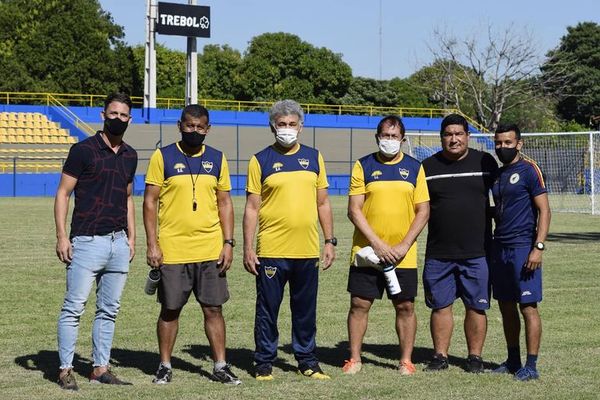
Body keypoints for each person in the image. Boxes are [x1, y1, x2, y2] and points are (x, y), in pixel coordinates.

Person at [143, 104, 241, 386]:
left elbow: (225, 203)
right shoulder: (162, 156)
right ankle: (164, 365)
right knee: (170, 309)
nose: (194, 131)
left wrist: (229, 243)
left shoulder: (217, 158)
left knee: (214, 309)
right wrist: (153, 244)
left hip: (210, 249)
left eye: (200, 127)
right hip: (172, 250)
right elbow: (150, 201)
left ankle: (220, 365)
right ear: (180, 125)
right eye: (189, 126)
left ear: (207, 129)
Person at [243, 99, 336, 381]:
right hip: (271, 250)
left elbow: (323, 203)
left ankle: (307, 361)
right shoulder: (260, 160)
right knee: (268, 311)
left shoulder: (314, 157)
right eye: (281, 124)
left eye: (292, 125)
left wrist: (329, 240)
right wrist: (248, 248)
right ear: (272, 126)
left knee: (305, 310)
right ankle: (263, 362)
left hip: (306, 250)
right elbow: (251, 207)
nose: (286, 129)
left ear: (301, 127)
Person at [54, 93, 138, 390]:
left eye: (123, 115)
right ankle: (65, 369)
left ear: (130, 119)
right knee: (74, 307)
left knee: (109, 309)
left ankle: (100, 368)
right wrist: (63, 236)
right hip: (86, 241)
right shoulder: (83, 150)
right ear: (103, 115)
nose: (117, 119)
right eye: (113, 113)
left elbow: (128, 198)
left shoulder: (130, 155)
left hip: (118, 243)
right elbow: (63, 193)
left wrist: (132, 236)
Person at [342, 116, 430, 376]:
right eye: (385, 135)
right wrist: (378, 244)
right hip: (367, 253)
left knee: (405, 306)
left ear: (402, 139)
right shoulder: (364, 165)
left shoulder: (415, 168)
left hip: (404, 255)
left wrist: (403, 245)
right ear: (377, 137)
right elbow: (354, 210)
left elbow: (423, 211)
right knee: (359, 304)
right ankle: (355, 359)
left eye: (394, 136)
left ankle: (405, 361)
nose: (389, 141)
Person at [421, 113, 498, 373]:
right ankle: (440, 356)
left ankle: (474, 357)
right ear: (442, 137)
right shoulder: (428, 167)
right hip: (438, 252)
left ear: (468, 136)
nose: (453, 139)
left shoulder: (486, 162)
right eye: (448, 134)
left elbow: (503, 200)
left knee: (476, 307)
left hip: (477, 252)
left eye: (459, 134)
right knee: (440, 306)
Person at [490, 124, 551, 381]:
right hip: (499, 247)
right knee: (505, 306)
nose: (502, 147)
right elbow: (501, 209)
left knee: (528, 306)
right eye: (499, 143)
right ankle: (513, 359)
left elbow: (545, 211)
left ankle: (532, 365)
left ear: (519, 144)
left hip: (523, 247)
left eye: (507, 142)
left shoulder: (529, 170)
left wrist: (537, 248)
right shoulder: (497, 174)